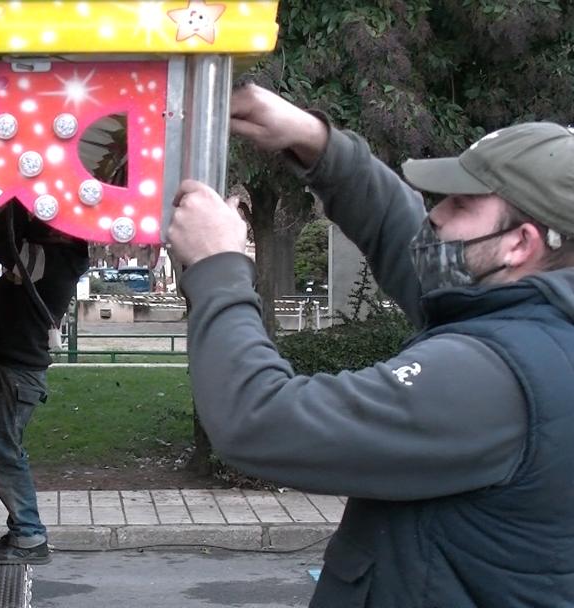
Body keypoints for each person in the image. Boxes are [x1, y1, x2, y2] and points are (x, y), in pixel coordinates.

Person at [166, 83, 574, 606]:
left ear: (521, 243)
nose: (436, 214)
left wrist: (217, 267)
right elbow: (399, 231)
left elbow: (259, 420)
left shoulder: (498, 379)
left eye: (462, 203)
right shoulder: (531, 316)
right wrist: (315, 141)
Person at [0, 202, 89, 565]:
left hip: (14, 371)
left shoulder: (49, 260)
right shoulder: (51, 255)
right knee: (6, 449)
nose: (45, 221)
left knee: (5, 451)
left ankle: (29, 535)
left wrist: (21, 198)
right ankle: (21, 529)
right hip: (12, 368)